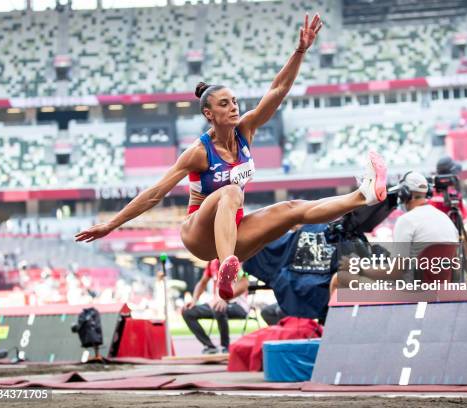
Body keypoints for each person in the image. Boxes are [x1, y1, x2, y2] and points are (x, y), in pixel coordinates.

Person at [75, 13, 388, 300]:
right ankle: (228, 270)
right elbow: (155, 193)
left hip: (233, 231)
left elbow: (277, 91)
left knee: (293, 209)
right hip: (198, 233)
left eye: (235, 101)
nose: (234, 107)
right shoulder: (198, 152)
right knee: (230, 191)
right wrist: (111, 225)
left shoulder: (246, 130)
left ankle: (364, 195)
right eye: (225, 104)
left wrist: (300, 51)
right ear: (209, 113)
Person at [182, 259, 249, 354]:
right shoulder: (212, 263)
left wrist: (226, 298)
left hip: (238, 305)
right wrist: (194, 299)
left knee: (218, 308)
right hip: (216, 304)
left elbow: (244, 283)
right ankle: (209, 346)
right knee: (187, 312)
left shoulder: (234, 261)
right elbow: (202, 283)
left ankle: (225, 347)